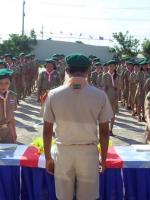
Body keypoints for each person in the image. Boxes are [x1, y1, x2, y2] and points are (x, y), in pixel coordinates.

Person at [43, 53, 113, 200]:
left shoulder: (53, 95)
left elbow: (47, 131)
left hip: (63, 152)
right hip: (88, 153)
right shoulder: (99, 95)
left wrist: (48, 157)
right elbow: (105, 132)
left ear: (67, 70)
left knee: (63, 197)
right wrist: (104, 159)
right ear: (88, 71)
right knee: (87, 197)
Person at [102, 60, 120, 136]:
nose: (112, 68)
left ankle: (110, 129)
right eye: (110, 66)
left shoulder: (117, 76)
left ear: (115, 67)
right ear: (108, 67)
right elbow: (103, 87)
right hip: (107, 95)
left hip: (115, 96)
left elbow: (119, 87)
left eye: (113, 66)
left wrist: (117, 95)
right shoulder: (105, 75)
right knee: (105, 114)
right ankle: (105, 129)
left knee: (113, 114)